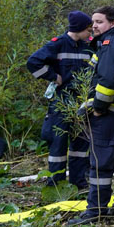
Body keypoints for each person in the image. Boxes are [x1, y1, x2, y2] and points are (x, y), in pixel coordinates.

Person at [69, 6, 114, 226]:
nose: (95, 26)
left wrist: (98, 107)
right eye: (93, 22)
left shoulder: (110, 45)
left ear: (113, 23)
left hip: (111, 113)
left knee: (100, 162)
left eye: (100, 21)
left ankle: (95, 210)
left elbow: (108, 81)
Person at [27, 11, 94, 190]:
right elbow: (33, 62)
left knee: (81, 143)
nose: (90, 33)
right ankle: (55, 184)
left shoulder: (88, 46)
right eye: (88, 29)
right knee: (58, 143)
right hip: (61, 102)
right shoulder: (58, 45)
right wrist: (52, 76)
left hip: (81, 102)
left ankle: (78, 183)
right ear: (79, 28)